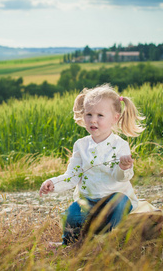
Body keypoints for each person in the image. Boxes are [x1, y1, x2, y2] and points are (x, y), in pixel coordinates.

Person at [39, 83, 145, 247]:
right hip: (88, 201)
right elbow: (72, 176)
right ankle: (69, 243)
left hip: (114, 198)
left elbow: (122, 178)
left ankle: (111, 239)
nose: (93, 120)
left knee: (120, 204)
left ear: (115, 118)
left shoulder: (120, 145)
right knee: (73, 214)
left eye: (100, 115)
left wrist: (124, 168)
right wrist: (53, 183)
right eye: (89, 114)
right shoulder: (80, 145)